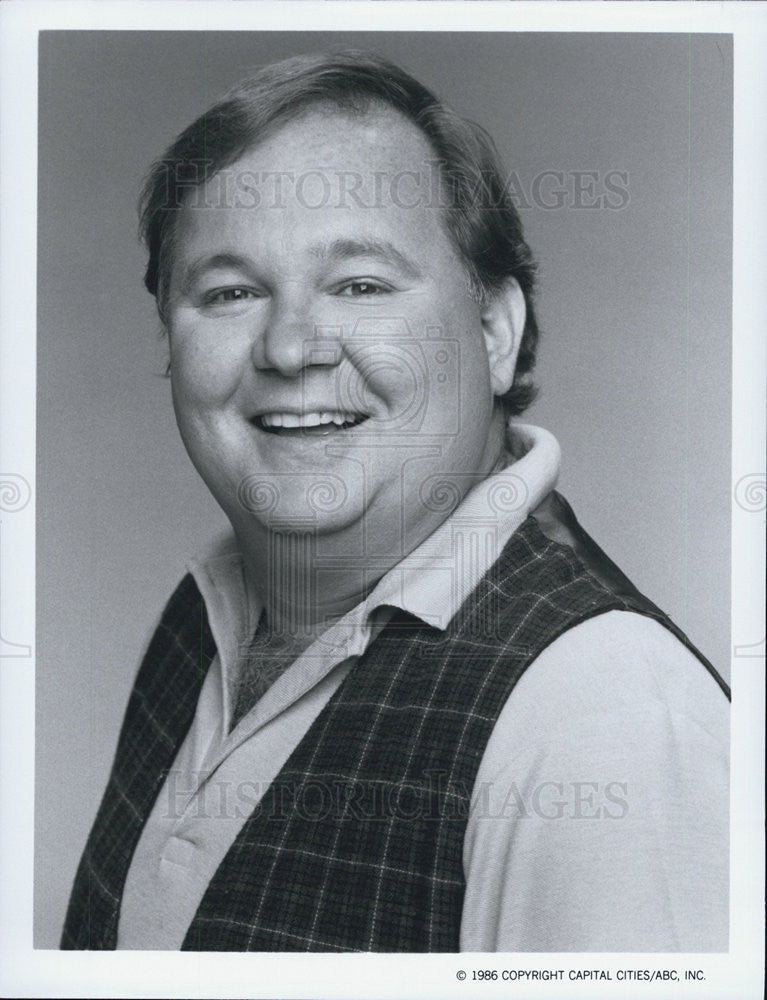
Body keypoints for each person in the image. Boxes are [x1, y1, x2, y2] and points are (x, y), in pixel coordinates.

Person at [61, 50, 729, 953]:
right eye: (230, 292)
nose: (291, 347)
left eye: (361, 285)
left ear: (494, 332)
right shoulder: (199, 620)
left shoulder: (603, 718)